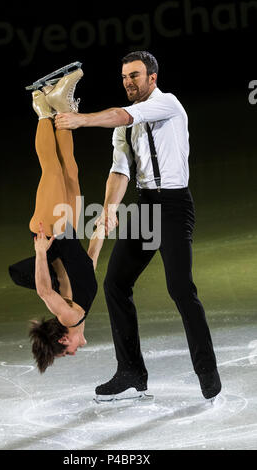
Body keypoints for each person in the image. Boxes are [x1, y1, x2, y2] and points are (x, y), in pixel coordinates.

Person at [53, 51, 222, 401]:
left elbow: (122, 114)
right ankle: (131, 371)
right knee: (115, 283)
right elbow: (120, 170)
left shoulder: (167, 104)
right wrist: (111, 209)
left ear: (152, 78)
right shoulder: (123, 125)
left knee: (180, 288)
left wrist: (80, 120)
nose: (129, 82)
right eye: (125, 77)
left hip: (174, 208)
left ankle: (206, 369)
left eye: (135, 75)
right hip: (146, 207)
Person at [8, 68, 105, 373]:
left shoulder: (67, 316)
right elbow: (88, 265)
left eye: (66, 353)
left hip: (50, 231)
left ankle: (40, 107)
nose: (73, 353)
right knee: (70, 171)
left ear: (64, 339)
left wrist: (39, 253)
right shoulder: (80, 310)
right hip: (69, 230)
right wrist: (100, 231)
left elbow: (44, 292)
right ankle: (61, 107)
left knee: (51, 170)